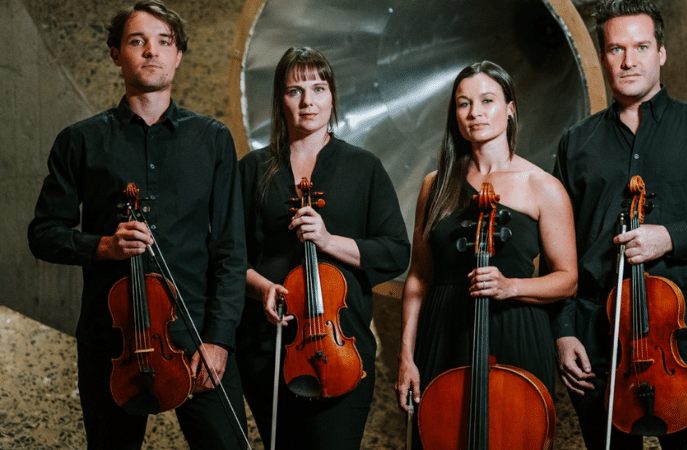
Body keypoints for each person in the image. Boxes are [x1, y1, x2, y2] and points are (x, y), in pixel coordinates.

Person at [27, 1, 248, 449]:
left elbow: (229, 249)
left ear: (178, 55)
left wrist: (219, 340)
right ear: (116, 54)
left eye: (164, 42)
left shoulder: (213, 140)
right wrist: (103, 246)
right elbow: (43, 234)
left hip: (195, 341)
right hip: (113, 346)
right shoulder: (80, 141)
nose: (152, 51)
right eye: (137, 41)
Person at [552, 1, 687, 449]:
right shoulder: (576, 142)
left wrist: (669, 236)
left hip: (674, 332)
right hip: (596, 331)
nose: (629, 61)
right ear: (603, 56)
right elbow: (560, 248)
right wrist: (564, 331)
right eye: (616, 49)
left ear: (661, 52)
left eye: (641, 46)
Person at [394, 61, 578, 447]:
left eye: (487, 100)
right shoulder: (435, 185)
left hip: (515, 326)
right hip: (443, 330)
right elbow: (419, 276)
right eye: (463, 103)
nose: (475, 112)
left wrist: (510, 286)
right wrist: (406, 356)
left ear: (510, 108)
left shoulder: (542, 186)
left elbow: (567, 279)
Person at [235, 46, 410, 450]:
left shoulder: (363, 167)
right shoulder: (254, 169)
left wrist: (329, 241)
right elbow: (230, 257)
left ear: (332, 96)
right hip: (269, 350)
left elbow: (395, 251)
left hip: (341, 347)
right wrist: (262, 289)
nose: (308, 101)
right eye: (294, 90)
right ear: (280, 100)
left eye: (318, 87)